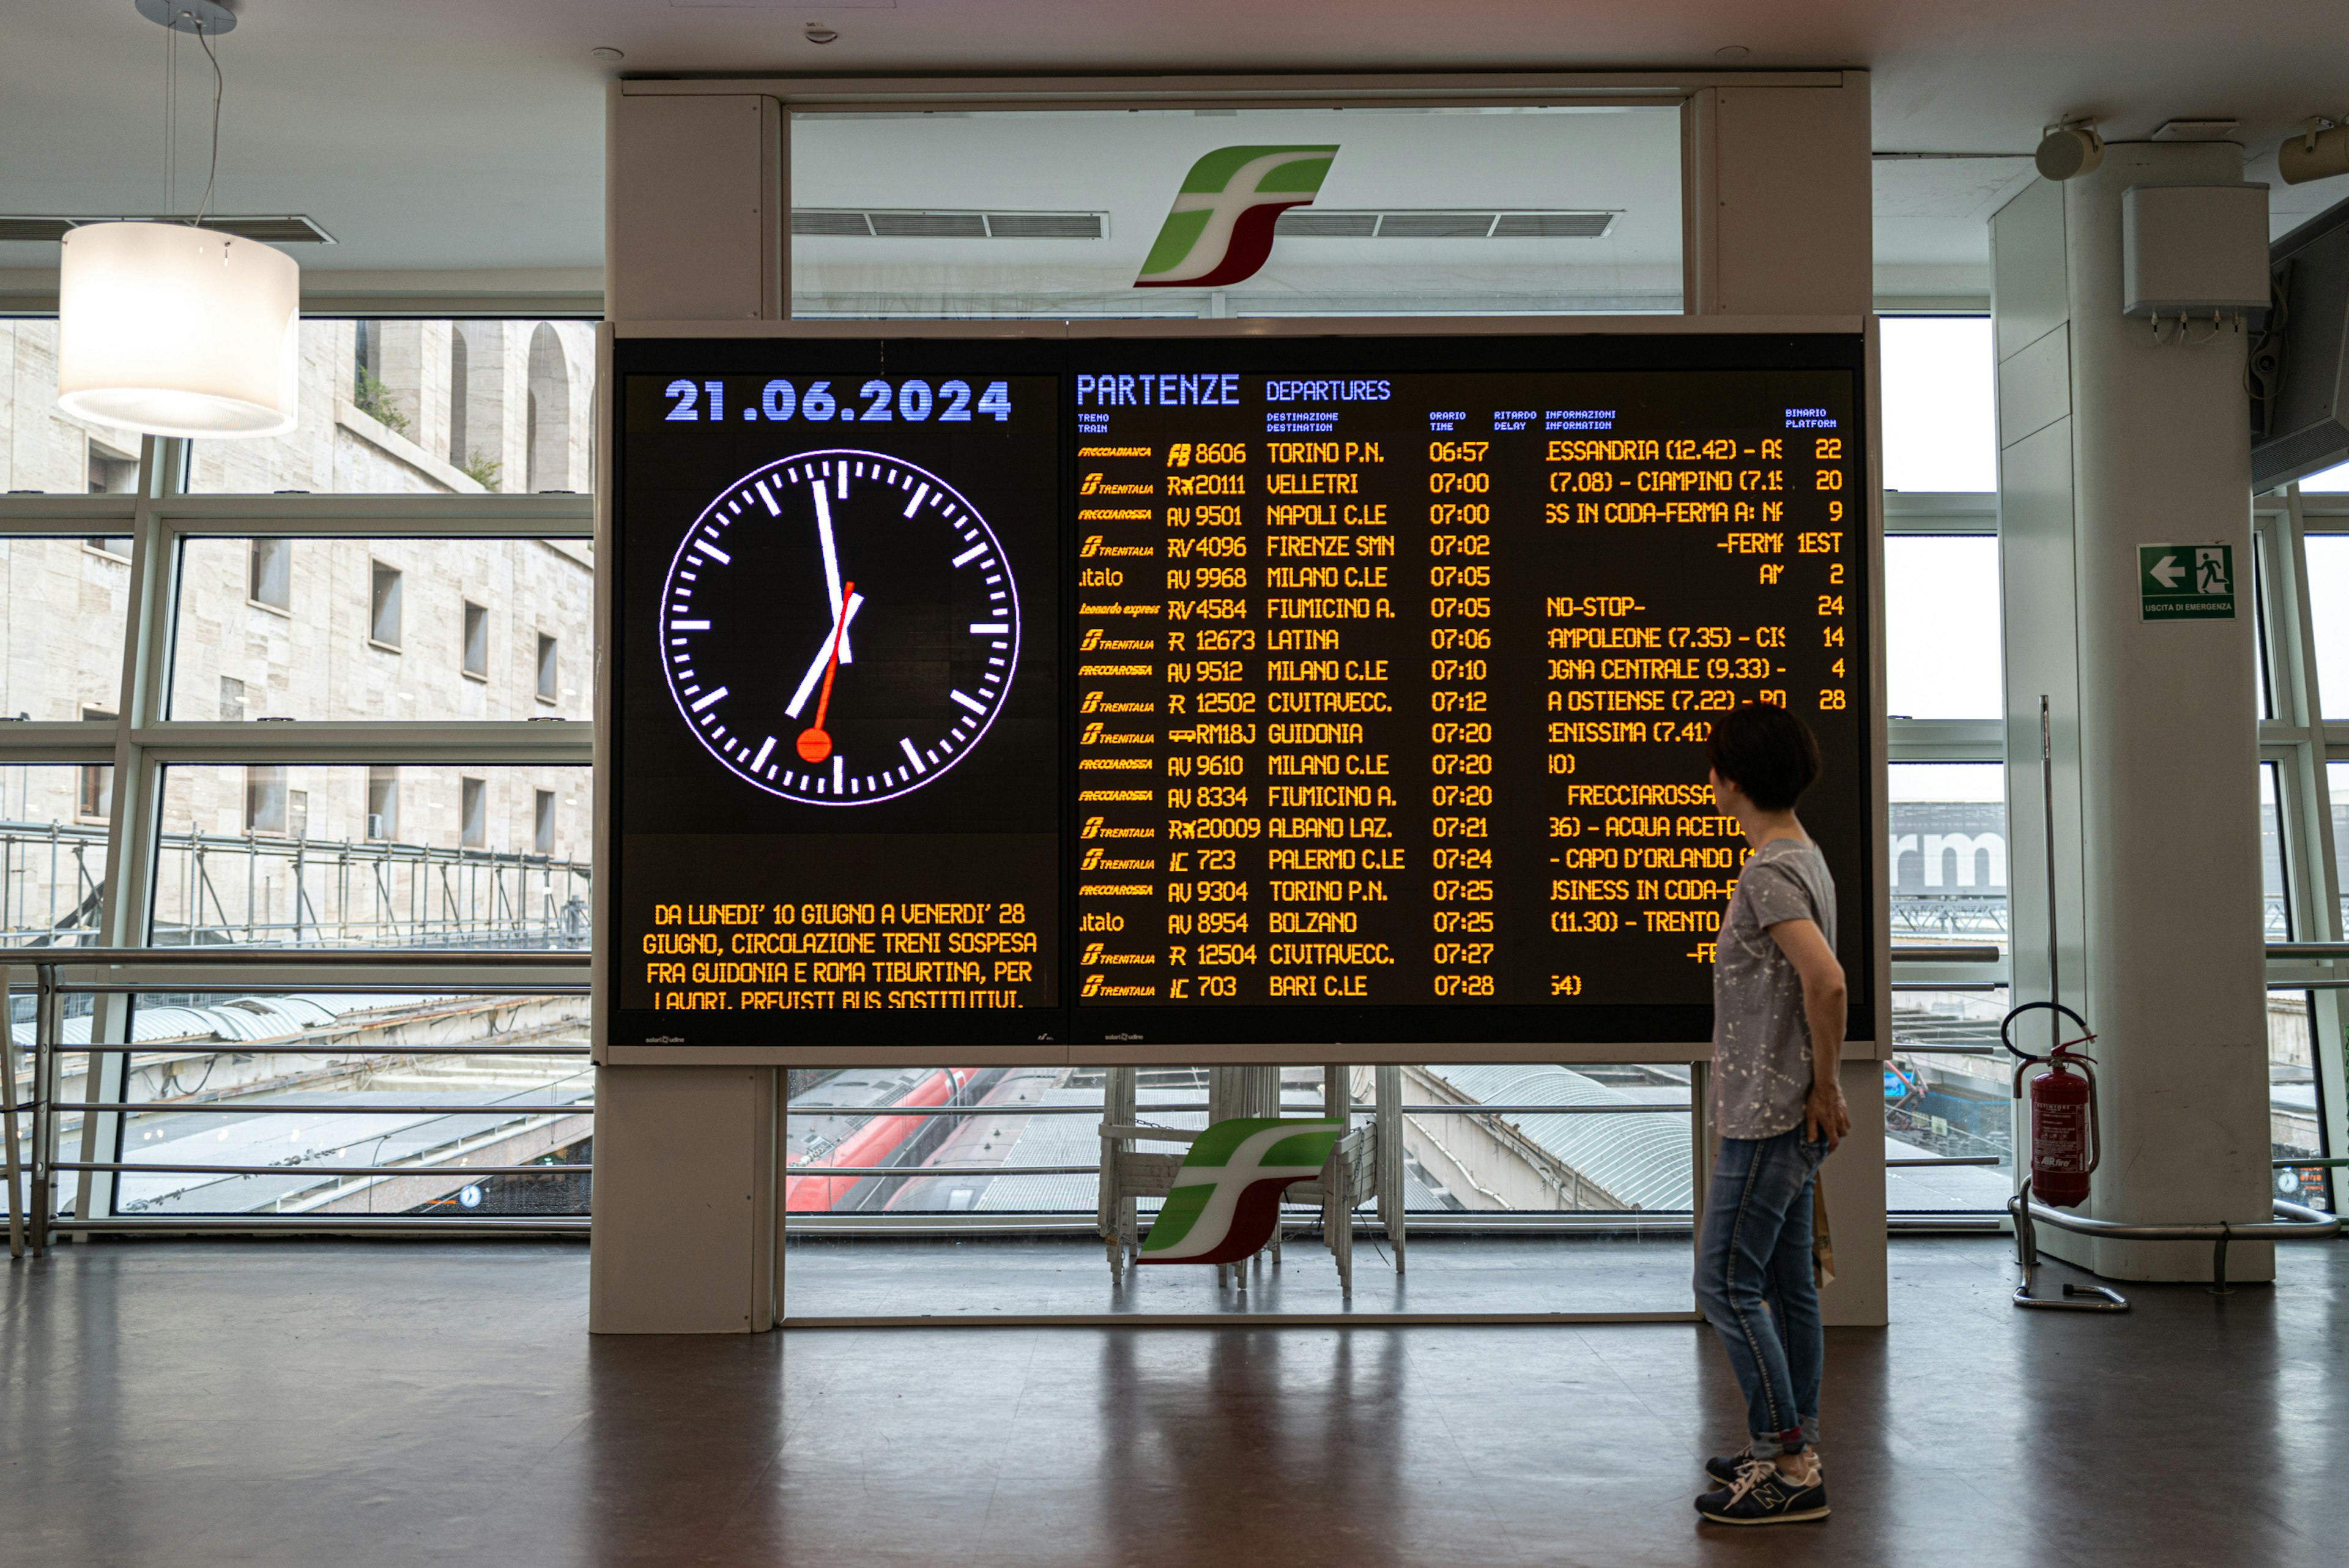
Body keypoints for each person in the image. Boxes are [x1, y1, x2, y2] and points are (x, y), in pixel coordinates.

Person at [1691, 703, 1850, 1526]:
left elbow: (1825, 982)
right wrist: (1820, 1090)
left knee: (1723, 1281)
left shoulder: (1767, 875)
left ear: (1733, 780)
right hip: (1789, 1111)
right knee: (1789, 1290)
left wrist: (1824, 1087)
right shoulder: (1806, 858)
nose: (1709, 779)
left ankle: (1784, 1458)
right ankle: (1792, 1446)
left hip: (1768, 1117)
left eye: (1714, 768)